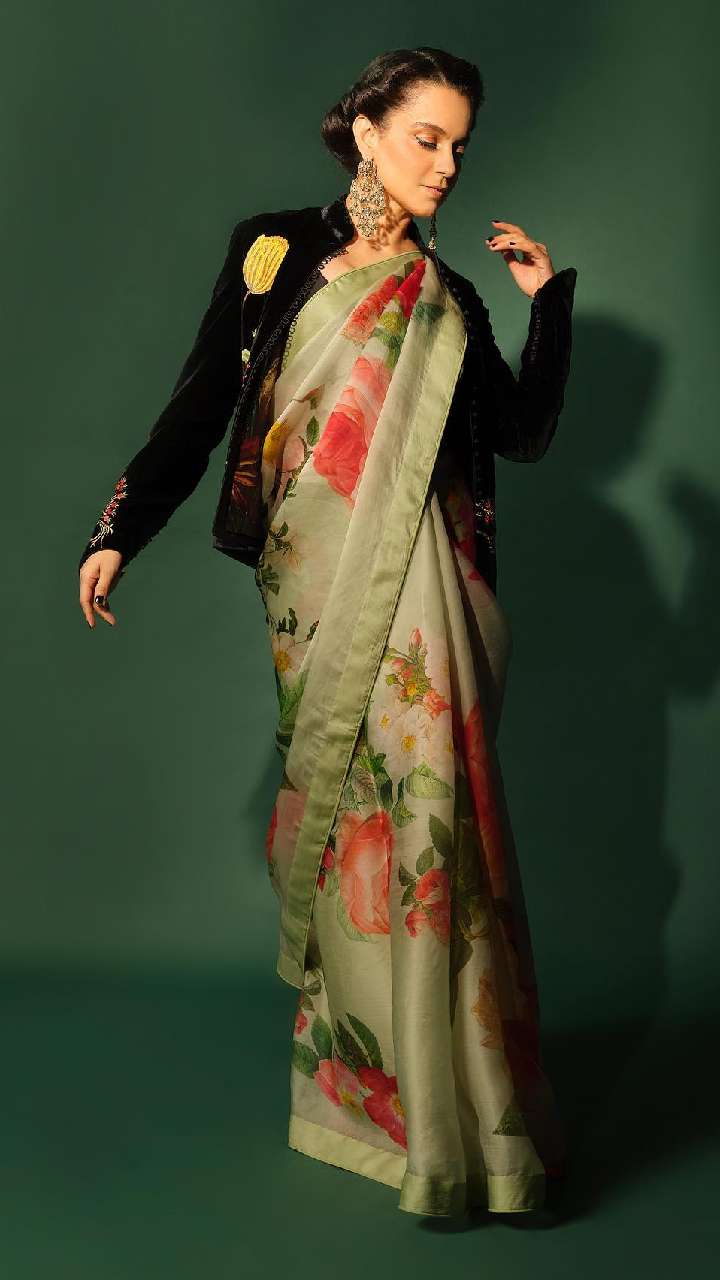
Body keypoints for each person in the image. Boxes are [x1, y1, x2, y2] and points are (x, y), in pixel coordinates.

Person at [77, 47, 578, 1219]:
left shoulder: (449, 299)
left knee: (435, 819)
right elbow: (203, 405)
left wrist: (548, 302)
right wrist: (120, 527)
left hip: (428, 598)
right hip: (313, 588)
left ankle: (461, 1111)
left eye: (459, 146)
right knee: (355, 821)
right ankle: (366, 1092)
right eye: (426, 138)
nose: (446, 166)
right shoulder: (274, 253)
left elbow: (521, 433)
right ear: (365, 131)